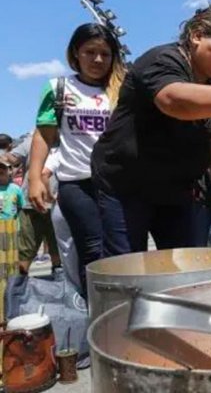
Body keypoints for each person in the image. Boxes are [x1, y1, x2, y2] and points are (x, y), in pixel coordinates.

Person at [91, 2, 211, 256]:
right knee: (126, 269)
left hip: (178, 188)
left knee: (185, 265)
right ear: (196, 36)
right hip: (126, 185)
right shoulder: (161, 60)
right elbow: (175, 101)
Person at [28, 23, 126, 297]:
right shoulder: (58, 88)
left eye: (105, 54)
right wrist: (35, 178)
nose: (97, 60)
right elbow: (44, 135)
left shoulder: (123, 88)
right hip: (77, 185)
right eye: (89, 52)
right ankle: (97, 317)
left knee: (123, 251)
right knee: (94, 253)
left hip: (119, 186)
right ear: (75, 53)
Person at [2, 133, 60, 274]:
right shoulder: (32, 140)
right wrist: (4, 157)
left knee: (58, 246)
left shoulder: (68, 139)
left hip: (59, 204)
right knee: (26, 248)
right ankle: (19, 284)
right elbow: (11, 158)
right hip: (31, 204)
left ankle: (60, 278)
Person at [0, 160, 24, 321]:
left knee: (12, 268)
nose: (0, 174)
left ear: (9, 171)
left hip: (12, 229)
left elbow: (21, 207)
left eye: (2, 170)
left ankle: (12, 300)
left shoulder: (16, 189)